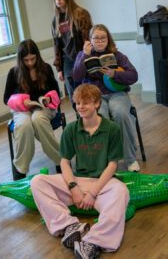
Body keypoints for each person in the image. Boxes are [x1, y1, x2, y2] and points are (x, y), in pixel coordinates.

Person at [31, 83, 129, 258]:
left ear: (97, 104)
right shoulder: (71, 130)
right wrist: (73, 187)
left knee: (121, 191)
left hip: (103, 184)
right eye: (77, 103)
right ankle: (69, 226)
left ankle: (93, 241)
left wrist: (93, 193)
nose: (81, 107)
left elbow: (112, 165)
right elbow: (64, 162)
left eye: (86, 103)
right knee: (38, 181)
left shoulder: (112, 129)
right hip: (79, 180)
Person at [73, 24, 140, 172]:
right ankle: (104, 161)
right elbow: (76, 77)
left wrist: (115, 74)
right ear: (90, 40)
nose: (99, 40)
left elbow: (134, 76)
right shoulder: (83, 54)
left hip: (117, 94)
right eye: (96, 38)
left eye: (103, 37)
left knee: (121, 113)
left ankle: (130, 159)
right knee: (100, 118)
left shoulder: (117, 55)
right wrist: (84, 55)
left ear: (108, 39)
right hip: (94, 97)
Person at [3, 39, 61, 180]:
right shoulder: (14, 72)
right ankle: (20, 169)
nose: (30, 63)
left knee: (38, 119)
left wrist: (47, 99)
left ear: (37, 56)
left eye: (32, 59)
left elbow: (57, 93)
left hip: (43, 108)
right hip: (22, 109)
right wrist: (23, 102)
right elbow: (6, 98)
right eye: (26, 60)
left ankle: (60, 160)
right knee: (24, 124)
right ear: (20, 59)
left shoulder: (46, 68)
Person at [52, 0, 93, 103]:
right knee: (73, 95)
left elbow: (88, 38)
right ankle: (79, 118)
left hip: (82, 56)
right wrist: (59, 68)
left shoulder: (81, 14)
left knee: (86, 91)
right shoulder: (56, 20)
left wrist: (88, 56)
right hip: (67, 61)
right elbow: (57, 45)